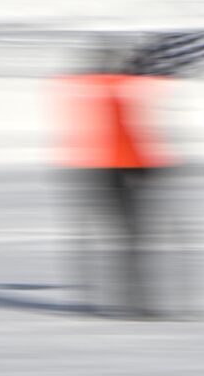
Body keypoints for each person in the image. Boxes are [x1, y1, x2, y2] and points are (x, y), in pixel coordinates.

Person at [55, 42, 173, 317]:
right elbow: (124, 131)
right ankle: (133, 300)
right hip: (113, 170)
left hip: (116, 168)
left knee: (130, 237)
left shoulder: (100, 87)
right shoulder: (109, 88)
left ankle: (132, 299)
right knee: (131, 237)